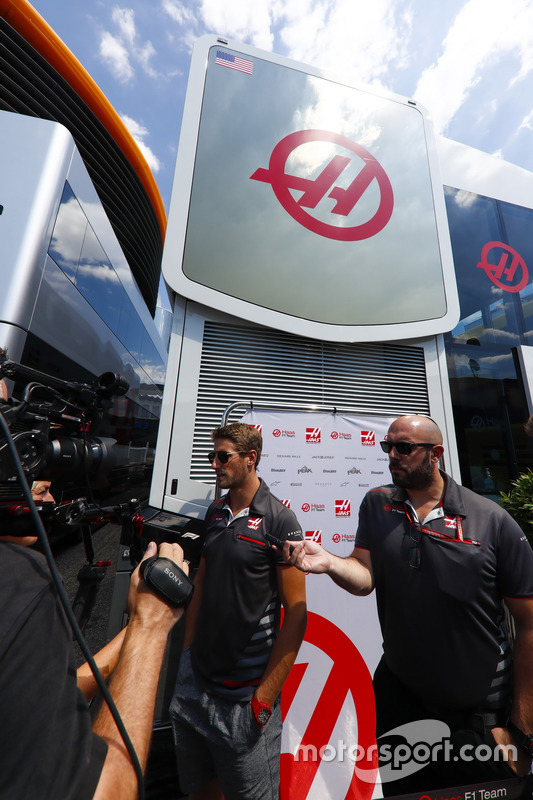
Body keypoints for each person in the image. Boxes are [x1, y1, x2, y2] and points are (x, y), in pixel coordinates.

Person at [285, 414, 533, 795]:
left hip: (478, 714)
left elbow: (529, 625)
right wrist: (330, 562)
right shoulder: (376, 505)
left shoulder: (491, 520)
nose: (392, 456)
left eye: (404, 448)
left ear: (435, 454)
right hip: (400, 702)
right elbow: (364, 576)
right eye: (388, 447)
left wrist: (522, 728)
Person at [170, 422, 307, 800]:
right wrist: (185, 657)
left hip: (242, 700)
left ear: (251, 459)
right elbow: (200, 583)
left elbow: (297, 614)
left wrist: (262, 703)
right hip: (194, 687)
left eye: (222, 456)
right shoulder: (215, 511)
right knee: (199, 790)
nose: (214, 464)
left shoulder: (280, 520)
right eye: (212, 456)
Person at [0, 535, 188, 800]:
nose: (52, 502)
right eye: (40, 491)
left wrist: (136, 624)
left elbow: (48, 698)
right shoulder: (19, 579)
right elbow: (107, 791)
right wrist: (150, 624)